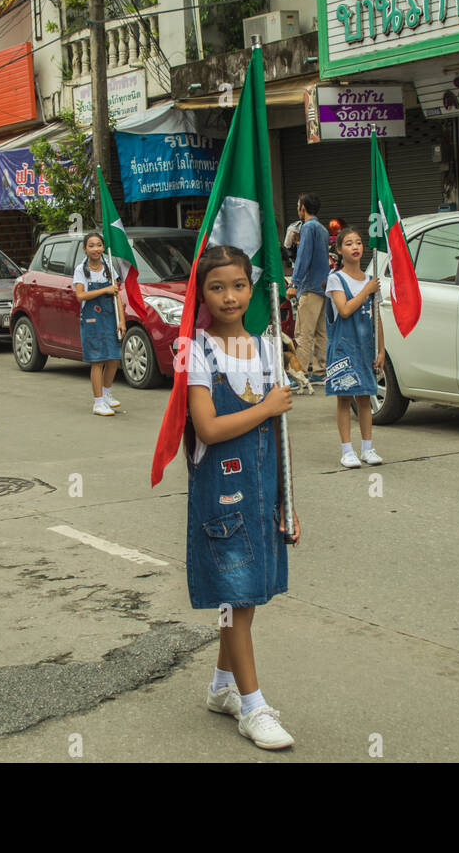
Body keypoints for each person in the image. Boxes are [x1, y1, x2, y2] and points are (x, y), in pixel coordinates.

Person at [184, 245, 299, 750]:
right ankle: (253, 708)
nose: (229, 297)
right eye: (216, 287)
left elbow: (281, 440)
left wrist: (288, 503)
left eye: (238, 285)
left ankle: (221, 687)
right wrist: (269, 404)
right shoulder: (195, 351)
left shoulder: (271, 348)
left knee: (248, 596)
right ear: (202, 294)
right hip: (221, 497)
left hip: (263, 491)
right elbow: (207, 426)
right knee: (238, 600)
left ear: (252, 288)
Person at [324, 227, 385, 468]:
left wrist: (381, 350)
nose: (355, 247)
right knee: (344, 397)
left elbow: (377, 317)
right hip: (343, 347)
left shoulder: (371, 282)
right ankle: (346, 450)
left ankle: (368, 448)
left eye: (358, 242)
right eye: (349, 243)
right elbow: (345, 309)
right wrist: (366, 291)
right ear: (339, 250)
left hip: (365, 347)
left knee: (365, 397)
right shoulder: (335, 279)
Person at [73, 232, 125, 415]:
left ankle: (107, 393)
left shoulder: (109, 267)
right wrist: (105, 289)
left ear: (104, 247)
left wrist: (122, 321)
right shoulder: (81, 270)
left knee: (113, 358)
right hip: (92, 320)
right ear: (85, 249)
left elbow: (117, 294)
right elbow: (80, 296)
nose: (96, 249)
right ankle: (98, 403)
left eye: (99, 245)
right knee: (98, 361)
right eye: (91, 245)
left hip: (111, 318)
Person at [291, 193, 331, 381]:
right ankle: (319, 371)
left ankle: (299, 373)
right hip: (323, 287)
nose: (297, 209)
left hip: (309, 286)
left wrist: (294, 283)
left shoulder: (307, 228)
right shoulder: (322, 229)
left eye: (298, 206)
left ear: (303, 208)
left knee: (303, 333)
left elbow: (303, 257)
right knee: (321, 332)